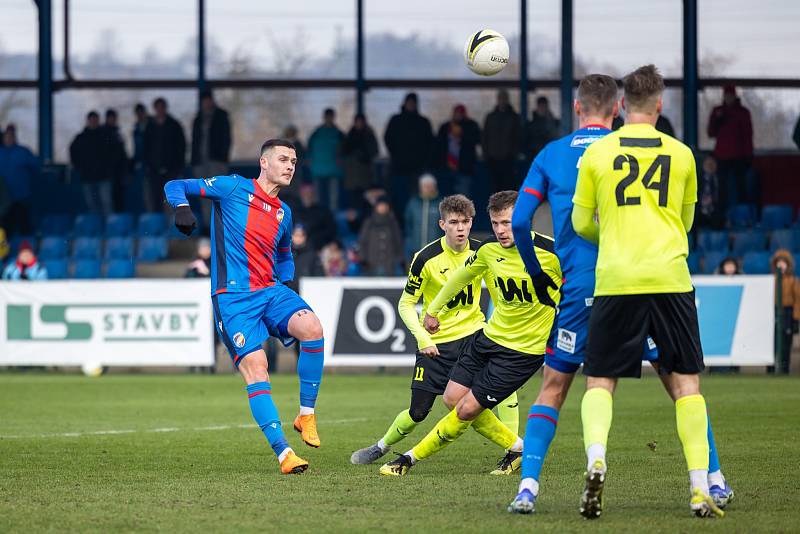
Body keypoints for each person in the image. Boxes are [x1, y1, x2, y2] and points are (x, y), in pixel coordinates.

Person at [507, 73, 732, 515]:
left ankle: (528, 487)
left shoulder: (553, 154)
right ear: (616, 109)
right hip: (651, 278)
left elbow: (519, 222)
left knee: (557, 387)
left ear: (577, 108)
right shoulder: (659, 152)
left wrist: (538, 275)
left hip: (586, 285)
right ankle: (713, 480)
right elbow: (684, 220)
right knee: (682, 384)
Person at [571, 65, 724, 518]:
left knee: (600, 380)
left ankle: (597, 458)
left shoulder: (598, 155)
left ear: (620, 107)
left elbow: (581, 223)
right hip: (670, 280)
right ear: (660, 106)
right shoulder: (682, 155)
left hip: (616, 278)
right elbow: (688, 222)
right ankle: (700, 485)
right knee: (686, 384)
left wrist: (614, 235)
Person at [163, 139, 326, 475]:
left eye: (294, 161)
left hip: (270, 290)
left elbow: (284, 254)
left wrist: (288, 281)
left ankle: (306, 413)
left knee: (313, 329)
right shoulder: (232, 187)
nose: (290, 166)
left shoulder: (285, 212)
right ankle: (284, 454)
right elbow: (174, 184)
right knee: (257, 367)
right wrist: (181, 206)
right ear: (263, 163)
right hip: (233, 297)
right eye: (283, 159)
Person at [379, 191, 561, 477]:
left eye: (508, 223)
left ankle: (409, 459)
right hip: (488, 339)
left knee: (466, 409)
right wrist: (432, 312)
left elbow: (582, 287)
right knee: (451, 399)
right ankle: (516, 448)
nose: (501, 230)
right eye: (496, 223)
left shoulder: (553, 253)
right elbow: (458, 279)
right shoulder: (488, 251)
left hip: (523, 351)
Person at [352, 194, 520, 472]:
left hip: (474, 337)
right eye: (454, 222)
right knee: (418, 411)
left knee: (505, 385)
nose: (461, 228)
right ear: (442, 224)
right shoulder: (426, 258)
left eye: (465, 222)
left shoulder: (483, 252)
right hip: (437, 345)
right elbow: (406, 304)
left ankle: (512, 450)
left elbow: (499, 294)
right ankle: (381, 446)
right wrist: (423, 338)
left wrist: (500, 326)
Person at [384, 93, 434, 210]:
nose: (411, 105)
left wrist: (423, 159)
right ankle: (396, 222)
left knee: (416, 197)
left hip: (417, 167)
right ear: (404, 103)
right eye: (409, 102)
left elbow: (430, 143)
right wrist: (395, 153)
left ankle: (414, 223)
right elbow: (387, 138)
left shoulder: (423, 122)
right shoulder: (396, 120)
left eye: (413, 103)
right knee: (395, 195)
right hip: (398, 166)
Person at [707, 84, 753, 209]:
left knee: (741, 186)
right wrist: (717, 122)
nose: (728, 98)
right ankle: (721, 215)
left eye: (730, 95)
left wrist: (749, 155)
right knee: (721, 187)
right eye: (726, 95)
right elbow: (711, 133)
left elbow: (748, 135)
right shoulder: (718, 112)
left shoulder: (743, 113)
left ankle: (741, 215)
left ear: (734, 96)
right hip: (721, 156)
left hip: (739, 156)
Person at [191, 90, 231, 231]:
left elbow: (226, 138)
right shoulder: (198, 118)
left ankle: (220, 225)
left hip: (216, 162)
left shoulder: (221, 116)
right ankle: (208, 226)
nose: (206, 103)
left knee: (218, 194)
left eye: (208, 100)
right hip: (201, 163)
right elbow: (194, 141)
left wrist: (222, 157)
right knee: (204, 195)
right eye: (204, 101)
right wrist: (194, 161)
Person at [144, 97, 186, 211]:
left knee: (169, 199)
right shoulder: (150, 126)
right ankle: (156, 226)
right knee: (153, 199)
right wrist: (148, 165)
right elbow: (145, 147)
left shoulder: (174, 125)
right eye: (157, 108)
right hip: (153, 170)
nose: (160, 110)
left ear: (165, 108)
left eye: (162, 108)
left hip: (171, 169)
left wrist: (178, 166)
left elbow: (181, 146)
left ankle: (170, 226)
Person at [70, 111, 112, 215]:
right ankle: (96, 229)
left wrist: (109, 168)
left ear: (98, 121)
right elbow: (73, 152)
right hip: (87, 177)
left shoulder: (106, 136)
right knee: (92, 205)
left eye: (95, 120)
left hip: (104, 176)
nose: (93, 122)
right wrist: (79, 166)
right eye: (91, 120)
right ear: (88, 121)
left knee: (107, 203)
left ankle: (110, 229)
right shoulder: (81, 138)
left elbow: (114, 154)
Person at [434, 104, 481, 196]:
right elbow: (438, 146)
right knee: (446, 196)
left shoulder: (471, 126)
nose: (458, 115)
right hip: (446, 168)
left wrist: (462, 135)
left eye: (460, 113)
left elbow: (477, 141)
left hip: (464, 168)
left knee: (463, 196)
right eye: (456, 113)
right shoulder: (445, 127)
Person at [0, 124, 38, 235]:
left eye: (11, 136)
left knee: (24, 227)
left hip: (21, 196)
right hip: (3, 200)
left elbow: (36, 167)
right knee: (6, 229)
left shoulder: (23, 152)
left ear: (15, 137)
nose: (9, 138)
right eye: (7, 136)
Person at [483, 90, 521, 193]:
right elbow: (485, 137)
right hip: (493, 159)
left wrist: (513, 154)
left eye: (504, 98)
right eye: (500, 98)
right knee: (495, 188)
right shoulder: (490, 117)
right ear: (497, 100)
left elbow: (518, 137)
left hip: (508, 159)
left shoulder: (514, 117)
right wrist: (486, 154)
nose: (502, 101)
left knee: (508, 188)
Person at [307, 108, 344, 211]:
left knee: (332, 198)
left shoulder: (336, 133)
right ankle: (321, 216)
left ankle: (330, 217)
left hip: (329, 169)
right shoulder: (320, 133)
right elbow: (309, 149)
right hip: (322, 169)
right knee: (321, 197)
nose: (329, 118)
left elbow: (345, 151)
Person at [340, 113, 378, 211]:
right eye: (357, 122)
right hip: (351, 179)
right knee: (352, 206)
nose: (359, 124)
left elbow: (374, 151)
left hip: (365, 178)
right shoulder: (349, 136)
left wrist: (363, 154)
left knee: (366, 204)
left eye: (361, 122)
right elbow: (342, 152)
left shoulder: (369, 135)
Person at [358, 195, 404, 276]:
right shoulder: (369, 222)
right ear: (376, 207)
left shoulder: (393, 222)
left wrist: (400, 259)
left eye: (385, 205)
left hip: (389, 263)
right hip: (371, 263)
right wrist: (363, 259)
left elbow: (398, 242)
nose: (383, 207)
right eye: (381, 205)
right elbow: (362, 241)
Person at [772, 249, 800, 374]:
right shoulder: (771, 280)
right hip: (773, 312)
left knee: (786, 344)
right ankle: (771, 368)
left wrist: (795, 319)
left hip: (787, 313)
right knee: (772, 343)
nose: (781, 264)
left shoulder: (793, 280)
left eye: (784, 262)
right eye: (779, 261)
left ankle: (784, 369)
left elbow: (797, 301)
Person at [404, 174, 441, 257]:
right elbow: (408, 225)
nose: (428, 188)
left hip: (435, 250)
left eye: (430, 185)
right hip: (416, 249)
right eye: (425, 186)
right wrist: (410, 243)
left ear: (435, 186)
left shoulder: (441, 204)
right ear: (420, 187)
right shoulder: (413, 203)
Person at [292, 183, 336, 251]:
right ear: (300, 194)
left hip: (318, 247)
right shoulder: (294, 211)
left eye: (309, 193)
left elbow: (331, 230)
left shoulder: (323, 211)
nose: (307, 195)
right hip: (296, 248)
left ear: (314, 194)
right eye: (305, 192)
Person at [100, 109, 129, 213]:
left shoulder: (118, 134)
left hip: (118, 174)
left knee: (118, 201)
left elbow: (123, 154)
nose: (113, 120)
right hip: (106, 174)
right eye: (111, 118)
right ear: (107, 119)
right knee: (107, 201)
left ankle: (117, 224)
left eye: (114, 118)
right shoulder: (101, 133)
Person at [285, 224, 323, 293]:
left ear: (305, 237)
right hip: (288, 293)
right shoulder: (285, 254)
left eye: (301, 236)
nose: (298, 239)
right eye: (296, 235)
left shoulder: (312, 255)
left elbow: (319, 276)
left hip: (308, 293)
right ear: (292, 236)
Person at [522, 96, 559, 166]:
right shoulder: (530, 125)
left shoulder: (553, 123)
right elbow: (525, 141)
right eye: (541, 106)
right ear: (537, 107)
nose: (543, 109)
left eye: (544, 106)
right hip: (534, 157)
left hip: (549, 158)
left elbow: (556, 137)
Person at [132, 103, 151, 209]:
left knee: (162, 194)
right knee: (148, 194)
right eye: (137, 114)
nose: (139, 116)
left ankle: (165, 220)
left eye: (141, 113)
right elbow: (137, 150)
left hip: (155, 166)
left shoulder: (153, 125)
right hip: (144, 166)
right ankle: (152, 218)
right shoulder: (136, 129)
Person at [697, 154, 723, 229]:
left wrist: (713, 200)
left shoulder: (720, 179)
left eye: (712, 164)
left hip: (715, 211)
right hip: (700, 211)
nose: (710, 166)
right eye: (708, 164)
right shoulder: (697, 178)